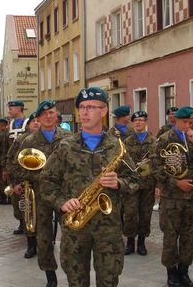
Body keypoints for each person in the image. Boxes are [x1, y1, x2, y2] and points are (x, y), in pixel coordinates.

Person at [41, 87, 138, 287]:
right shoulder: (65, 147)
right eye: (81, 107)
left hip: (108, 228)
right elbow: (46, 182)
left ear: (103, 111)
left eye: (90, 107)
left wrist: (119, 183)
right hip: (75, 228)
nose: (84, 112)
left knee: (109, 281)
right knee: (76, 282)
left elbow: (136, 179)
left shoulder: (117, 146)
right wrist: (61, 202)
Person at [10, 100, 70, 287]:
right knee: (43, 238)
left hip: (64, 195)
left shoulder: (69, 137)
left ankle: (72, 272)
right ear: (38, 118)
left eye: (51, 112)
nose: (48, 116)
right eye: (44, 114)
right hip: (40, 195)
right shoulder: (29, 141)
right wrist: (22, 180)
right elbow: (17, 167)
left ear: (56, 114)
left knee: (70, 235)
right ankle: (50, 276)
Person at [151, 106, 193, 287]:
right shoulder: (165, 139)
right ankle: (171, 272)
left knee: (189, 236)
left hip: (192, 197)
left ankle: (184, 271)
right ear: (176, 121)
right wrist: (175, 182)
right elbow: (155, 167)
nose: (188, 125)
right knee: (170, 236)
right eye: (184, 122)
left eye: (190, 122)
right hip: (172, 197)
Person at [123, 110, 156, 256]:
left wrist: (159, 185)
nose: (138, 123)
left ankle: (142, 242)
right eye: (136, 120)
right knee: (130, 213)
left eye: (141, 120)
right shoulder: (127, 142)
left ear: (146, 122)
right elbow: (122, 162)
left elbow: (158, 164)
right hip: (132, 184)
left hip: (148, 184)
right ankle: (130, 241)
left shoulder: (154, 141)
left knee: (145, 214)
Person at [6, 113, 40, 235]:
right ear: (28, 125)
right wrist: (14, 182)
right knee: (22, 206)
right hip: (23, 178)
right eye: (33, 121)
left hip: (42, 181)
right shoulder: (21, 140)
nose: (36, 123)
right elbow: (11, 159)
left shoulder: (47, 139)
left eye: (38, 121)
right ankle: (24, 226)